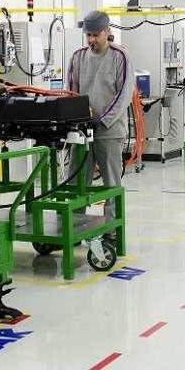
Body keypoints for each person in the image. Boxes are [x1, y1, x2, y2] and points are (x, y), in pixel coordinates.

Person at [67, 11, 134, 220]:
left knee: (111, 184)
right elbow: (71, 92)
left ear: (107, 31)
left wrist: (102, 120)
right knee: (75, 182)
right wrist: (77, 120)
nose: (91, 40)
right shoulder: (78, 57)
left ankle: (112, 228)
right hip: (81, 132)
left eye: (96, 35)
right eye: (88, 35)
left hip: (110, 132)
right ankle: (73, 226)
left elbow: (124, 95)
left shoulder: (120, 57)